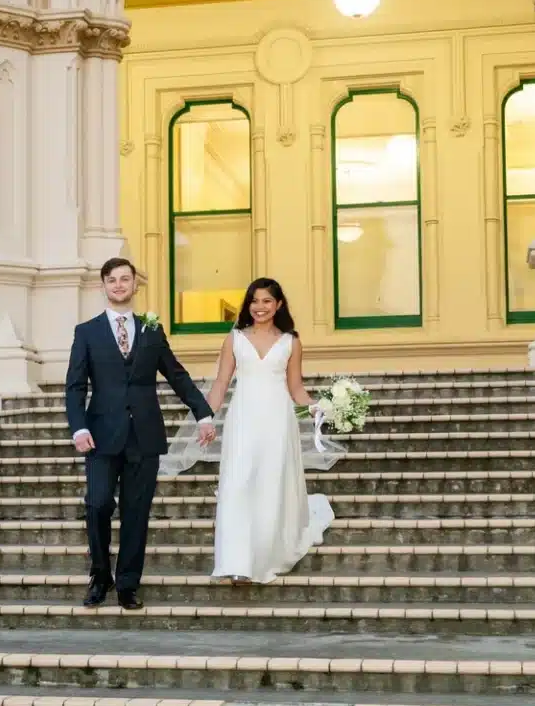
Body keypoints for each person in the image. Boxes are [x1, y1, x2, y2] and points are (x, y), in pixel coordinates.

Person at [65, 257, 216, 609]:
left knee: (137, 511)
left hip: (144, 435)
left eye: (125, 279)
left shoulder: (152, 330)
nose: (119, 285)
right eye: (112, 279)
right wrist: (78, 428)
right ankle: (100, 575)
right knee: (99, 503)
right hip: (100, 435)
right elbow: (75, 386)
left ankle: (128, 584)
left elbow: (176, 375)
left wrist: (203, 414)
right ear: (104, 285)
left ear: (135, 285)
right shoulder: (86, 332)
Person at [200, 278, 334, 583]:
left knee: (271, 483)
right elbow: (221, 382)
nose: (259, 307)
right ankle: (236, 562)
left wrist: (318, 407)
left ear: (279, 305)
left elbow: (296, 388)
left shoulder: (291, 342)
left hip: (278, 419)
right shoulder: (234, 338)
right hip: (243, 418)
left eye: (266, 301)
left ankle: (263, 557)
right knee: (239, 482)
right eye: (254, 301)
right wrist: (206, 417)